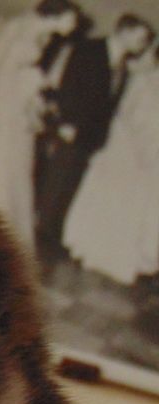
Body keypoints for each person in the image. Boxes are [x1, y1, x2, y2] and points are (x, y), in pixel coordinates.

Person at [33, 13, 155, 270]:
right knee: (56, 184)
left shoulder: (123, 66)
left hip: (92, 137)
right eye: (141, 38)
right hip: (72, 129)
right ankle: (38, 241)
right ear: (125, 30)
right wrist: (66, 122)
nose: (143, 44)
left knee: (69, 188)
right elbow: (69, 85)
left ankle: (52, 238)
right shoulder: (90, 49)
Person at [0, 0, 79, 245]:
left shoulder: (41, 34)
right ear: (59, 13)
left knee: (18, 165)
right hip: (3, 107)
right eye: (72, 19)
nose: (74, 25)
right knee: (2, 165)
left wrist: (33, 96)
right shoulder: (19, 29)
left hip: (16, 104)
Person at [63, 44, 159, 285]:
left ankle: (115, 257)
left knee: (130, 207)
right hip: (127, 154)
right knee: (112, 201)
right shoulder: (146, 83)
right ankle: (94, 252)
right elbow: (135, 121)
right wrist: (150, 152)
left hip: (142, 157)